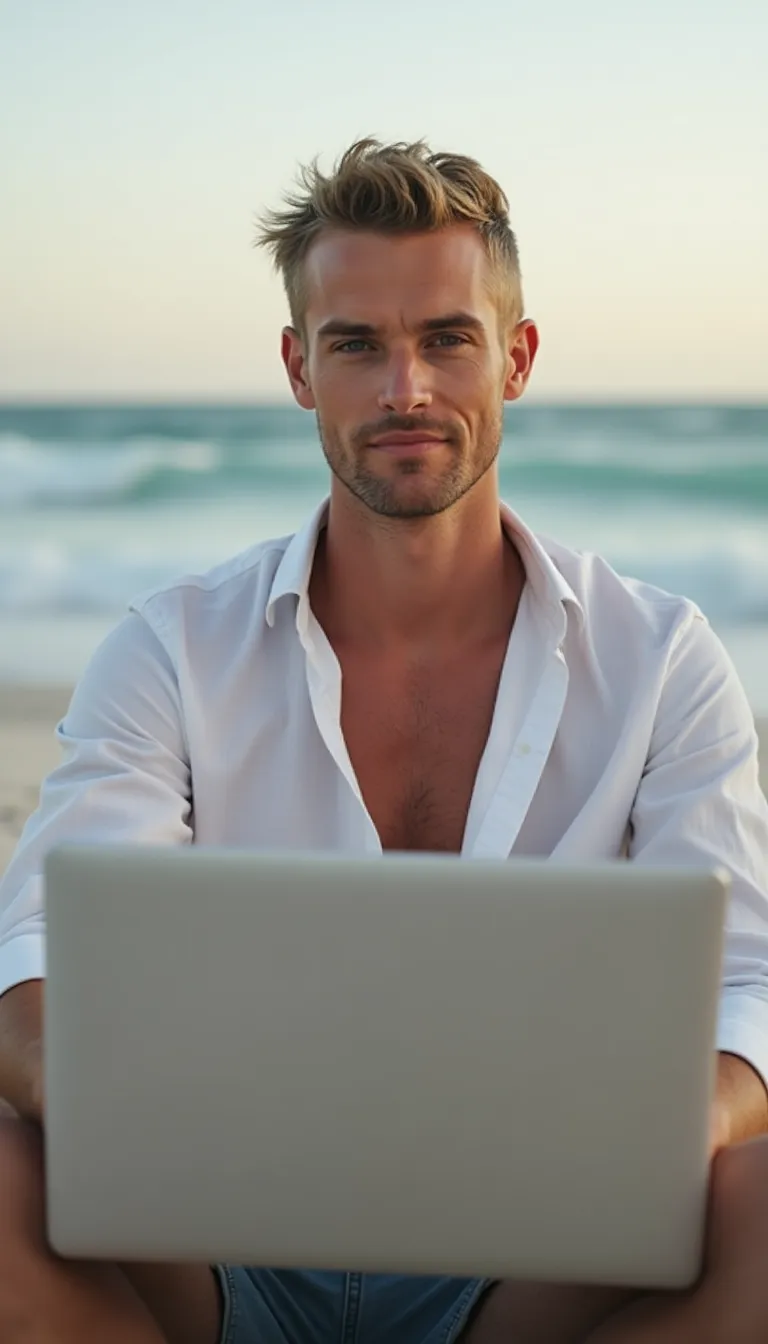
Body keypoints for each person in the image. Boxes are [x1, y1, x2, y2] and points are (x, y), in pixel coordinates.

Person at [0, 137, 767, 1344]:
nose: (405, 388)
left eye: (446, 339)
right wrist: (87, 1101)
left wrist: (688, 1122)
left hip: (535, 1254)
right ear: (301, 368)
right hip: (212, 1237)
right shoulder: (171, 648)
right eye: (357, 343)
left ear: (515, 357)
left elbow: (747, 981)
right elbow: (38, 937)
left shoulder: (663, 659)